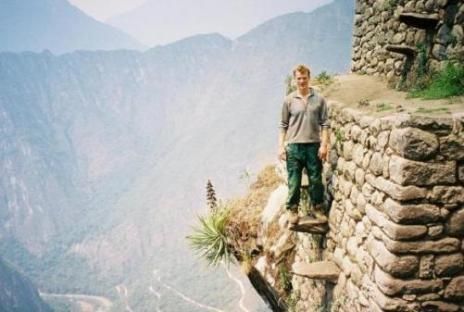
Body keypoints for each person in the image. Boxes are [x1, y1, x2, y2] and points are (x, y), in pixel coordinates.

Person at [278, 64, 329, 226]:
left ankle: (318, 209)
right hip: (294, 147)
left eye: (304, 78)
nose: (302, 81)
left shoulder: (319, 100)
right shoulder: (289, 100)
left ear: (309, 78)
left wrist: (324, 145)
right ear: (295, 80)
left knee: (316, 179)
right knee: (294, 180)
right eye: (299, 78)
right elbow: (283, 125)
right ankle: (292, 210)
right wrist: (281, 146)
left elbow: (325, 125)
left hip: (313, 145)